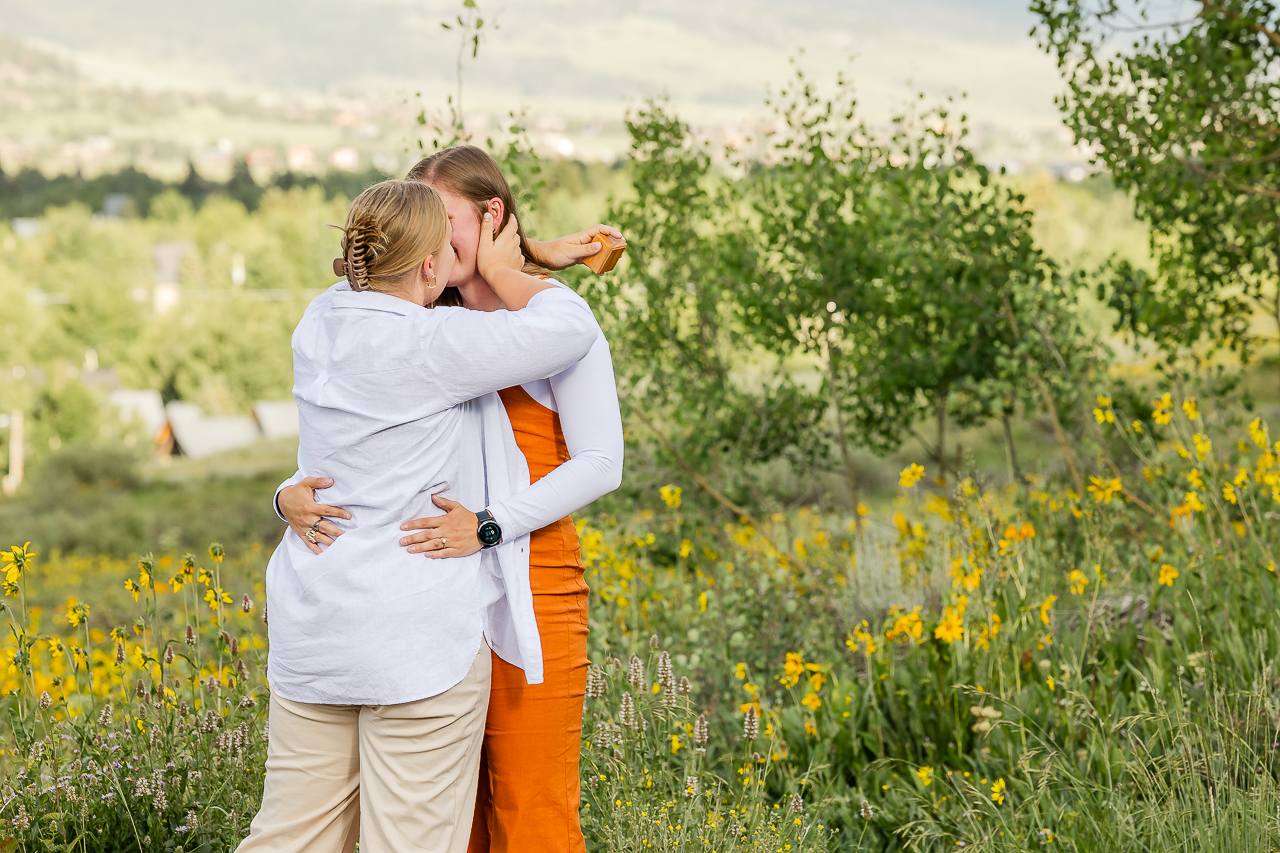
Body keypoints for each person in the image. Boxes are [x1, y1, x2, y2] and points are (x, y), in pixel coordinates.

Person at [278, 146, 625, 853]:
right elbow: (350, 434)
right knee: (447, 825)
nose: (431, 241)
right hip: (434, 600)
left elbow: (601, 463)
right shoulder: (429, 321)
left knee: (529, 814)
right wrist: (288, 492)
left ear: (489, 215)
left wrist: (493, 525)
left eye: (446, 219)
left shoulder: (545, 327)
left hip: (530, 584)